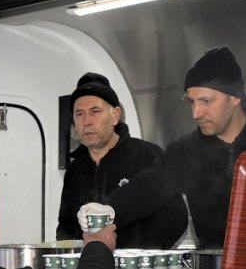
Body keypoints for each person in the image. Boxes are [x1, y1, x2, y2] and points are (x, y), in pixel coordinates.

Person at [80, 46, 246, 250]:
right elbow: (149, 186)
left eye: (206, 101)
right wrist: (110, 209)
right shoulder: (187, 151)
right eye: (191, 102)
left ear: (234, 97)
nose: (196, 113)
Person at [56, 72, 167, 248]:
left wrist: (136, 254)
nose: (87, 122)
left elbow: (174, 216)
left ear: (115, 115)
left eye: (95, 112)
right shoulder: (75, 169)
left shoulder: (147, 156)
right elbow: (66, 227)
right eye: (80, 114)